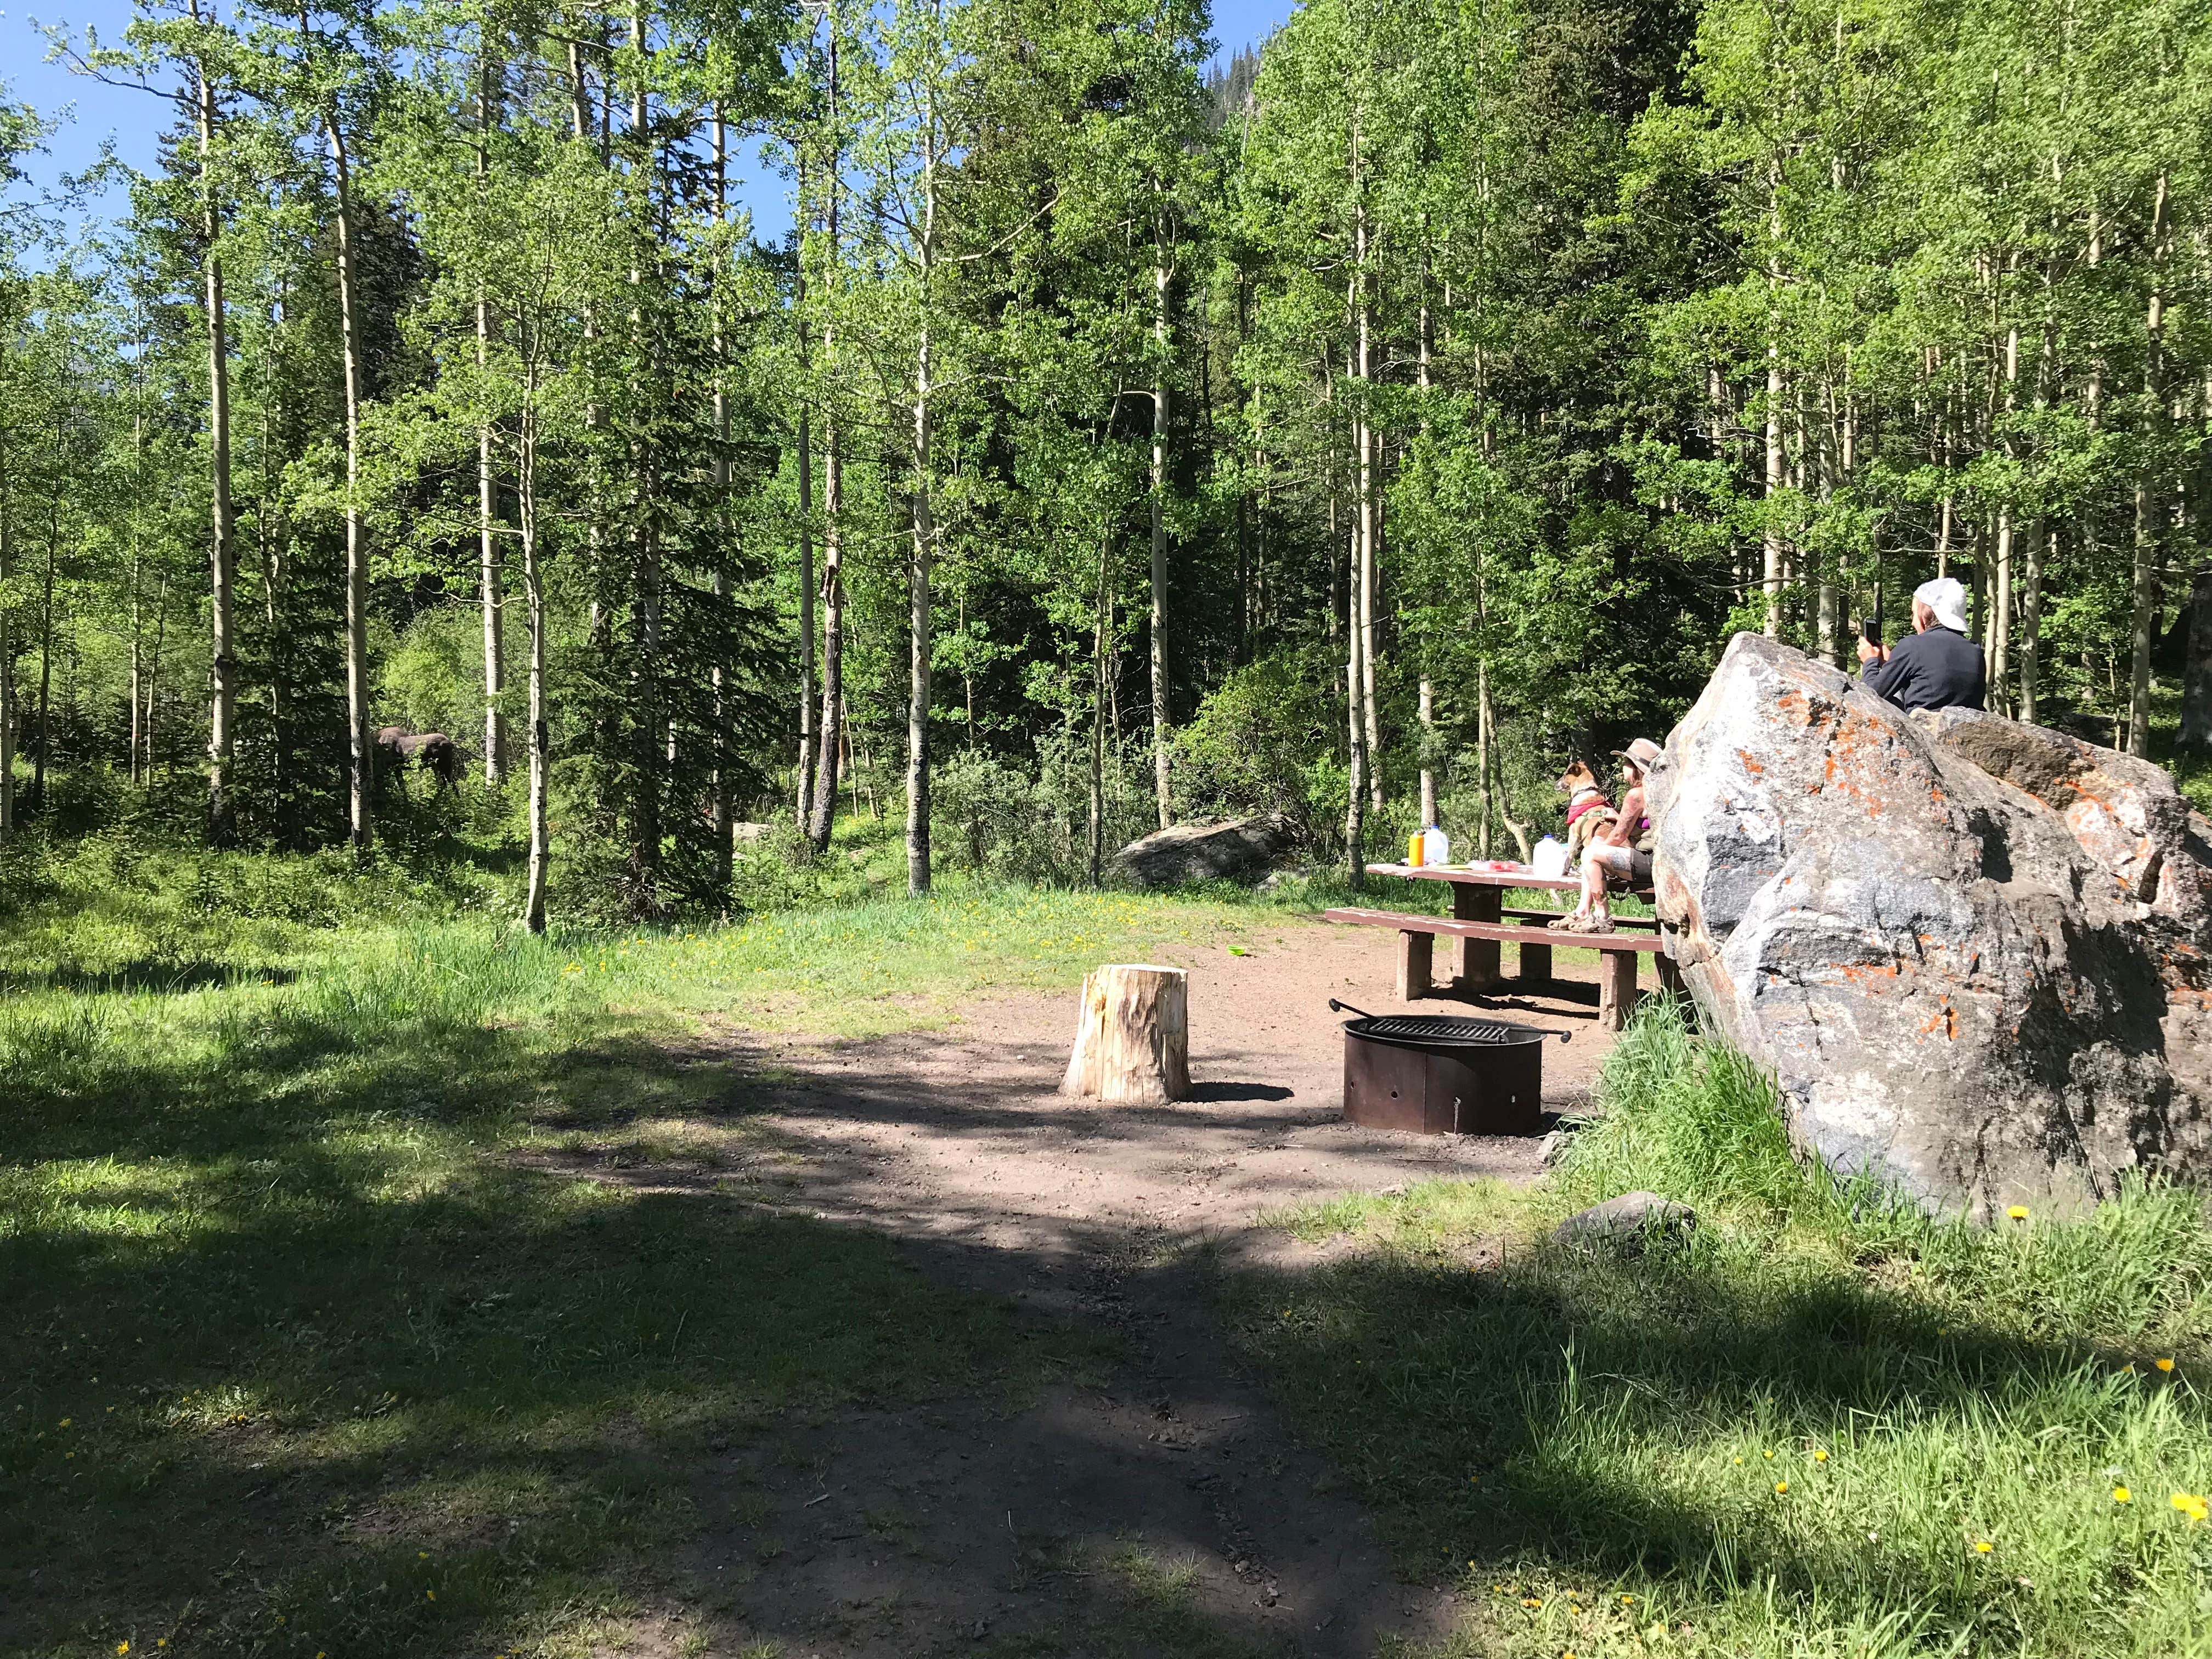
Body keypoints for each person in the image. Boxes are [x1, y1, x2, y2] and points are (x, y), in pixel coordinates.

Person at [1550, 737, 1659, 935]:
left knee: (1591, 853)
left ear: (1636, 767)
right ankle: (1582, 911)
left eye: (1626, 763)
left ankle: (1603, 918)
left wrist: (1600, 851)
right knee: (1596, 844)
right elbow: (1644, 826)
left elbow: (1618, 836)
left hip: (1649, 862)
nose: (1623, 768)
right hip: (1654, 860)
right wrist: (1617, 818)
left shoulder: (1636, 794)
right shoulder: (1654, 791)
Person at [1857, 577, 1985, 712]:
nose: (1912, 622)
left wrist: (1870, 662)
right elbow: (1932, 686)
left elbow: (1870, 698)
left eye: (1913, 614)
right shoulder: (1975, 651)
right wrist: (1891, 663)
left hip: (1923, 724)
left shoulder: (1913, 645)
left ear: (1924, 615)